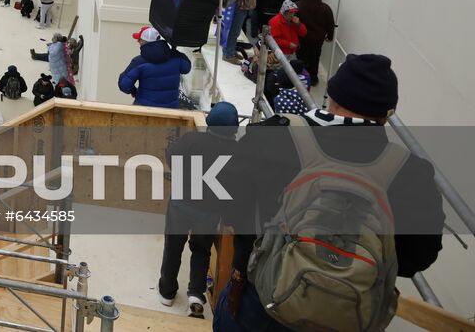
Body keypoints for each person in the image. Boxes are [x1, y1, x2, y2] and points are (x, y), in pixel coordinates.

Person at [216, 54, 444, 331]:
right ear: (386, 114)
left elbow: (227, 204)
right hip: (349, 314)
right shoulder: (410, 172)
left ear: (331, 96)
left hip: (261, 304)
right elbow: (415, 259)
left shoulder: (271, 136)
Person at [158, 102, 238, 317]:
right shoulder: (235, 151)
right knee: (201, 251)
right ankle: (196, 295)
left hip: (181, 204)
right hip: (210, 211)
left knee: (173, 247)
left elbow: (171, 157)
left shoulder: (192, 140)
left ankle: (167, 293)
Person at [118, 27, 191, 109]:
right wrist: (175, 51)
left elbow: (124, 84)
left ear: (145, 42)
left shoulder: (139, 62)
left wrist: (133, 91)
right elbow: (186, 68)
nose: (138, 41)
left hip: (144, 109)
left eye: (140, 39)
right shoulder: (176, 57)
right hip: (171, 109)